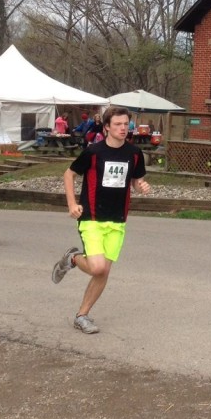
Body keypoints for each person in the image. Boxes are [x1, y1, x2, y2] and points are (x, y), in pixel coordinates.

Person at [51, 105, 151, 334]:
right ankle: (73, 258)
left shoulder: (134, 154)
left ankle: (82, 316)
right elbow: (69, 174)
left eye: (126, 124)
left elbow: (135, 180)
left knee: (103, 271)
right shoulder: (93, 152)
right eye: (117, 124)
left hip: (117, 220)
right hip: (92, 218)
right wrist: (71, 204)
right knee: (97, 267)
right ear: (106, 127)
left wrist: (141, 185)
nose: (123, 128)